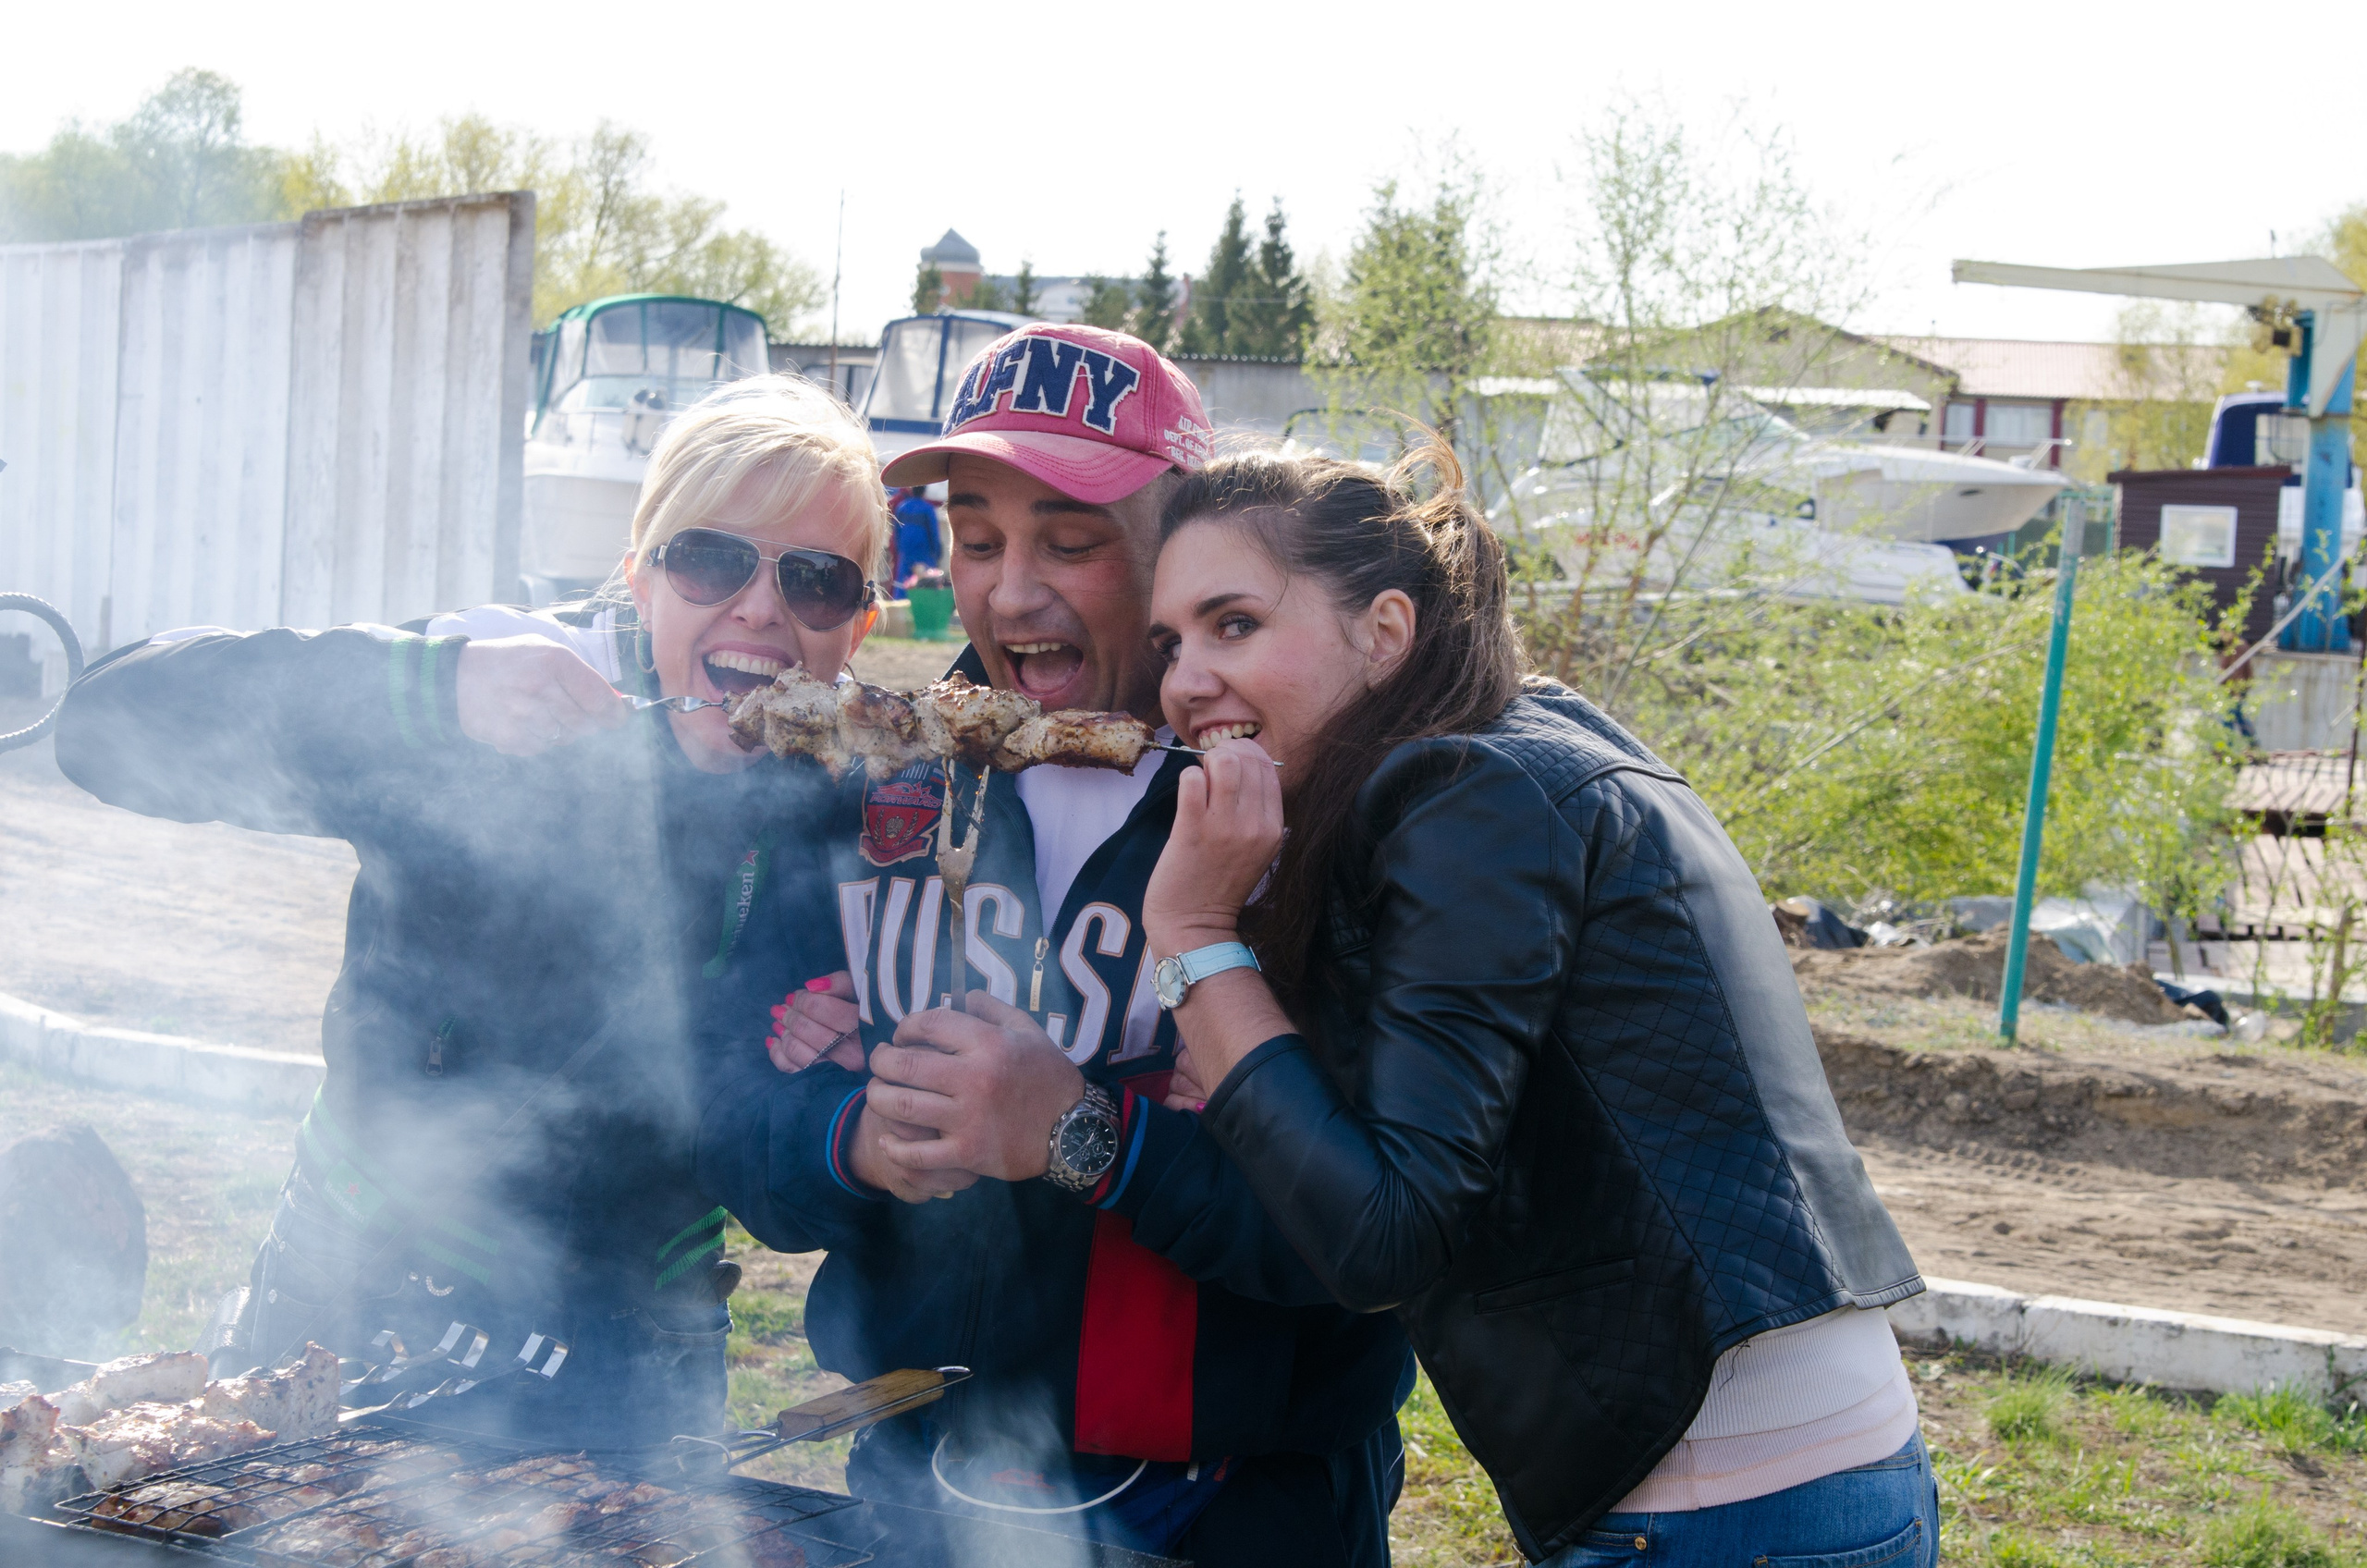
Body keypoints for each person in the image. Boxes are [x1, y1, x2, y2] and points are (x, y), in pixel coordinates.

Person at [1119, 436, 1938, 1564]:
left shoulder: (1466, 792)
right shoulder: (1528, 737)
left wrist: (1195, 940)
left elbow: (1380, 1236)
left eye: (1235, 623)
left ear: (1385, 630)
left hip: (1720, 1502)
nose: (1182, 680)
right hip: (1781, 1480)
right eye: (1170, 640)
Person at [696, 325, 1415, 1564]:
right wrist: (856, 1139)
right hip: (924, 1479)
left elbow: (1367, 1237)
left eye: (1070, 543)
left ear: (1182, 542)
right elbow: (740, 1115)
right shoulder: (882, 777)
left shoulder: (1311, 801)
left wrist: (1086, 1129)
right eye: (977, 540)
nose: (1011, 591)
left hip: (1234, 1507)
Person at [53, 375, 885, 1446]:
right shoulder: (499, 680)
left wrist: (828, 1082)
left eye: (814, 580)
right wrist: (428, 693)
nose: (761, 607)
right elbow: (105, 723)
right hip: (358, 1288)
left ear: (858, 622)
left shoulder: (851, 803)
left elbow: (784, 1180)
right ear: (639, 577)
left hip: (639, 1339)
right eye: (712, 557)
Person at [889, 484, 943, 594]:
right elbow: (934, 533)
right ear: (924, 492)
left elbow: (897, 533)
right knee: (926, 584)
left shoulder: (902, 507)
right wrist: (937, 553)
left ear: (911, 491)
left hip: (906, 553)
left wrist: (899, 551)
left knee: (902, 585)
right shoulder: (928, 509)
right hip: (924, 554)